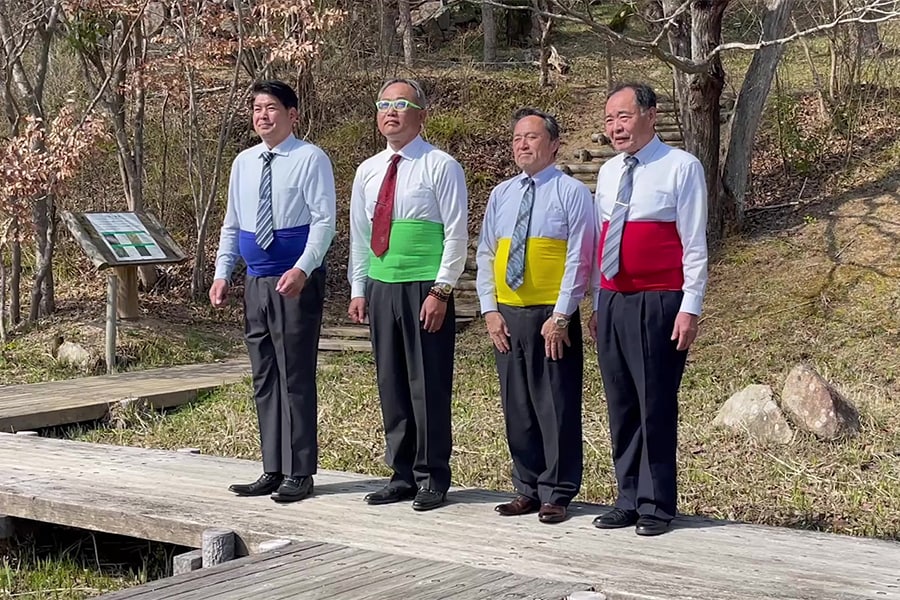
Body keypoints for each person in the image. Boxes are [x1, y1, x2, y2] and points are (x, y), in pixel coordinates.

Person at [589, 82, 708, 536]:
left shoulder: (681, 167)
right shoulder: (607, 171)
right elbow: (605, 239)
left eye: (623, 116)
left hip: (660, 300)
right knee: (620, 402)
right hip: (615, 300)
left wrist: (689, 307)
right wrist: (599, 300)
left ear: (650, 115)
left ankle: (657, 503)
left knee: (654, 401)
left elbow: (694, 243)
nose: (615, 127)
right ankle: (627, 497)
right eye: (609, 119)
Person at [210, 80, 336, 504]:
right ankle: (273, 466)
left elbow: (323, 221)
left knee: (295, 374)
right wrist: (223, 271)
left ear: (292, 114)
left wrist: (304, 267)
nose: (263, 115)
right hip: (256, 281)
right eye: (257, 108)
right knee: (265, 374)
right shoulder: (244, 162)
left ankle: (300, 470)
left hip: (294, 280)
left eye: (272, 108)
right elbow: (232, 222)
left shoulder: (310, 158)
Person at [347, 78, 468, 512]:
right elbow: (360, 236)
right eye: (384, 104)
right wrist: (359, 287)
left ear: (421, 114)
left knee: (427, 383)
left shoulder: (441, 165)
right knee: (391, 382)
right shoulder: (368, 170)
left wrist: (441, 290)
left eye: (401, 103)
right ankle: (400, 473)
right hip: (382, 286)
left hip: (424, 287)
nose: (391, 111)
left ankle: (432, 475)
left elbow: (456, 234)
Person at [475, 108, 594, 525]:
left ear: (555, 144)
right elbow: (487, 252)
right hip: (508, 315)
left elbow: (581, 257)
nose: (522, 145)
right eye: (517, 139)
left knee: (555, 404)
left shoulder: (571, 192)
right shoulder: (502, 193)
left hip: (551, 316)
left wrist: (562, 315)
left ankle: (557, 491)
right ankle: (526, 486)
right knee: (518, 405)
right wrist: (490, 309)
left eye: (532, 137)